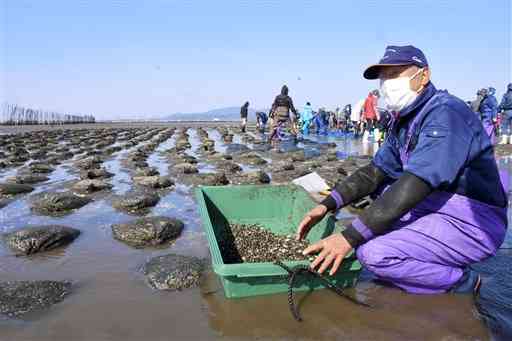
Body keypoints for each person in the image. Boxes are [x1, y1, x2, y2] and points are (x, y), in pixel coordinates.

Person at [296, 45, 507, 295]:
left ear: (424, 75)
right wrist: (328, 204)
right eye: (384, 77)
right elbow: (376, 171)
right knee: (374, 214)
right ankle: (433, 257)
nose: (387, 83)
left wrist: (348, 238)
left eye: (396, 73)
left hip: (473, 220)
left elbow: (418, 181)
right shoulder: (405, 120)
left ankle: (462, 282)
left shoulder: (445, 113)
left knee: (373, 253)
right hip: (437, 204)